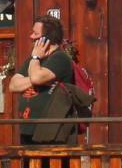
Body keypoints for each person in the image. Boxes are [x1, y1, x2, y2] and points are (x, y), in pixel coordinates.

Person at [5, 15, 79, 145]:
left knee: (52, 166)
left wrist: (35, 60)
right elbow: (13, 85)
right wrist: (36, 76)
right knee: (29, 166)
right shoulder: (33, 60)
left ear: (47, 39)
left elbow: (36, 77)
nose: (31, 37)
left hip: (52, 132)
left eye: (35, 34)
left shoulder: (60, 58)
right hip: (28, 130)